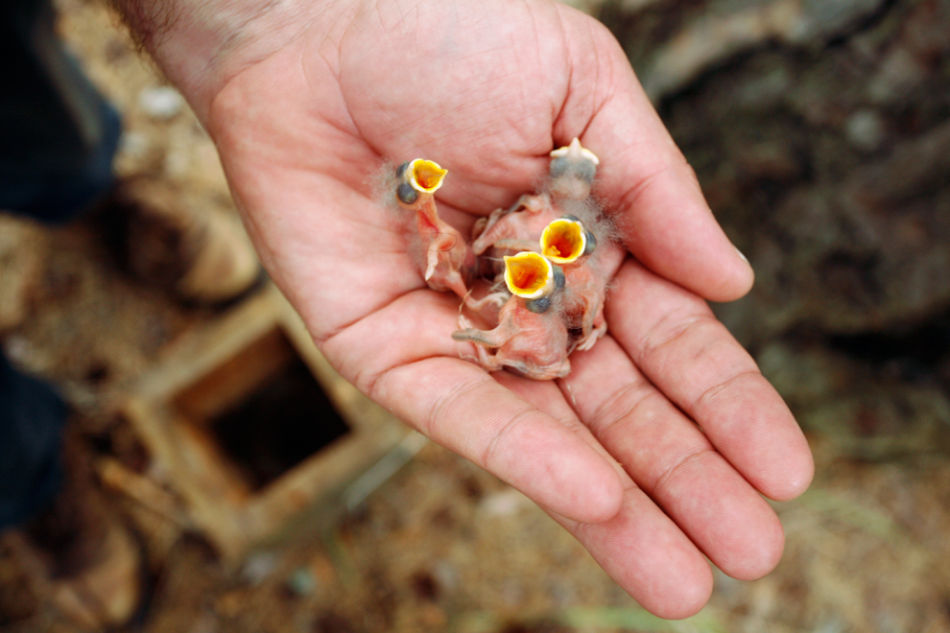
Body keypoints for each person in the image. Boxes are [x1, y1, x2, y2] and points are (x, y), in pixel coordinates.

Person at [7, 0, 815, 622]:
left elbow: (518, 300)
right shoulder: (503, 275)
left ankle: (85, 189)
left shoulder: (537, 286)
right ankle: (31, 480)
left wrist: (279, 19)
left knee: (44, 117)